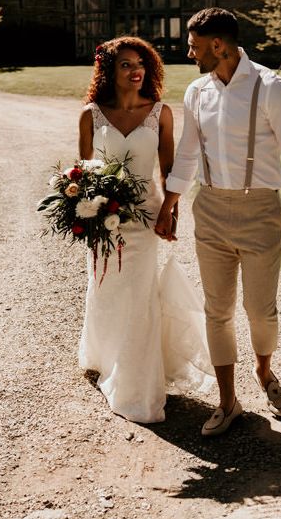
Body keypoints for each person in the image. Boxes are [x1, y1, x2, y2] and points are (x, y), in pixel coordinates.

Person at [154, 8, 281, 436]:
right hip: (208, 209)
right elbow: (188, 153)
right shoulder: (197, 92)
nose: (189, 53)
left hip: (260, 210)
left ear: (217, 46)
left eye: (194, 46)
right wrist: (171, 203)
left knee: (260, 311)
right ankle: (228, 401)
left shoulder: (271, 88)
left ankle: (264, 371)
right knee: (217, 310)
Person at [78, 36, 212, 424]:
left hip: (144, 218)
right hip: (103, 219)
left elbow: (167, 170)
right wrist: (85, 210)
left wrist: (172, 211)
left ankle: (136, 385)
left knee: (138, 295)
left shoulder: (160, 113)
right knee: (104, 287)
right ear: (109, 71)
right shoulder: (91, 114)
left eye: (141, 63)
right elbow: (83, 171)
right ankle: (104, 356)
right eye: (125, 64)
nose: (135, 70)